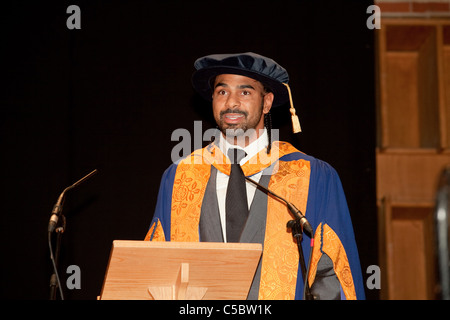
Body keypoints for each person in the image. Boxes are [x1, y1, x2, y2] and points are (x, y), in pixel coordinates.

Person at [145, 52, 365, 300]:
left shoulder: (312, 176)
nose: (231, 103)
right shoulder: (179, 177)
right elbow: (157, 269)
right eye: (222, 92)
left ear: (267, 101)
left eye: (245, 92)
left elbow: (333, 274)